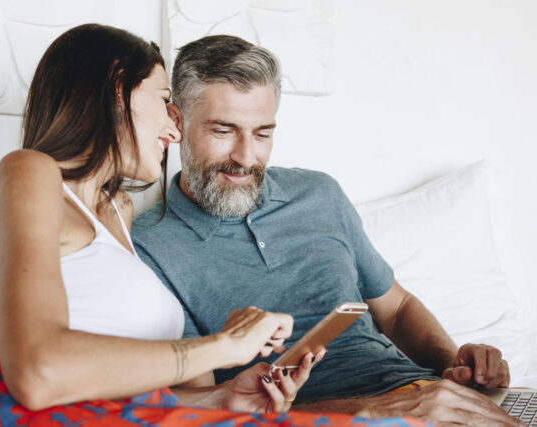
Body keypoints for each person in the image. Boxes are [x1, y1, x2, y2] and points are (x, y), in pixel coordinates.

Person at [0, 24, 361, 427]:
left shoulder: (120, 211)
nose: (175, 129)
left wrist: (224, 396)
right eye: (163, 98)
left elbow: (117, 390)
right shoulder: (29, 172)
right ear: (119, 92)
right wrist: (222, 346)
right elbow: (39, 372)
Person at [131, 35, 523, 426]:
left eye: (263, 133)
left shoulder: (319, 193)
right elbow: (208, 410)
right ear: (176, 121)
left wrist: (458, 372)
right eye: (223, 131)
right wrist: (374, 412)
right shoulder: (149, 248)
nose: (246, 157)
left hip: (422, 397)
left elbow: (398, 309)